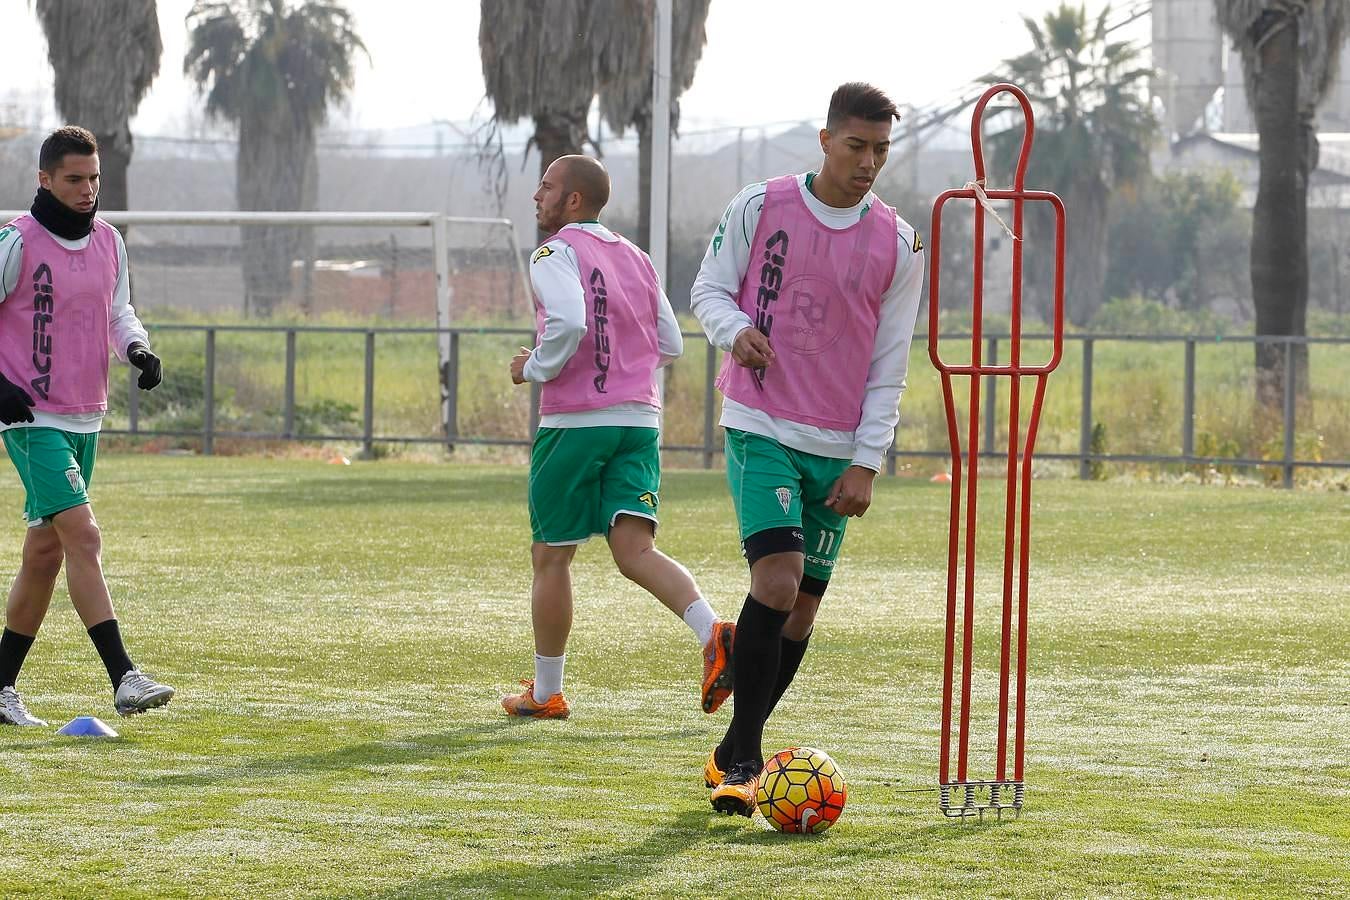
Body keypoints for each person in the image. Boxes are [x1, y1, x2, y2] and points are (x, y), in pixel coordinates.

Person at [691, 83, 926, 815]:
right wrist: (734, 331)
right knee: (778, 582)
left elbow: (890, 364)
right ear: (825, 139)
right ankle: (750, 764)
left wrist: (867, 460)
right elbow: (707, 289)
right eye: (857, 145)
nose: (868, 162)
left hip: (839, 447)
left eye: (881, 150)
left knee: (800, 615)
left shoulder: (900, 242)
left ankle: (731, 751)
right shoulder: (761, 206)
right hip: (762, 423)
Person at [501, 154, 734, 719]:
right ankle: (715, 633)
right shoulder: (635, 257)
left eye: (548, 186)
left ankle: (546, 692)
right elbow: (672, 343)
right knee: (636, 552)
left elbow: (572, 321)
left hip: (576, 422)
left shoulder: (554, 252)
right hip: (639, 421)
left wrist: (533, 366)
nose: (537, 195)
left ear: (573, 200)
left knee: (551, 556)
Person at [0, 126, 174, 727]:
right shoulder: (14, 241)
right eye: (74, 178)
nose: (87, 189)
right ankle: (124, 676)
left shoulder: (109, 243)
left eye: (93, 178)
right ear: (44, 179)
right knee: (84, 535)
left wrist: (138, 350)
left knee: (46, 553)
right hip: (29, 417)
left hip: (85, 414)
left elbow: (117, 312)